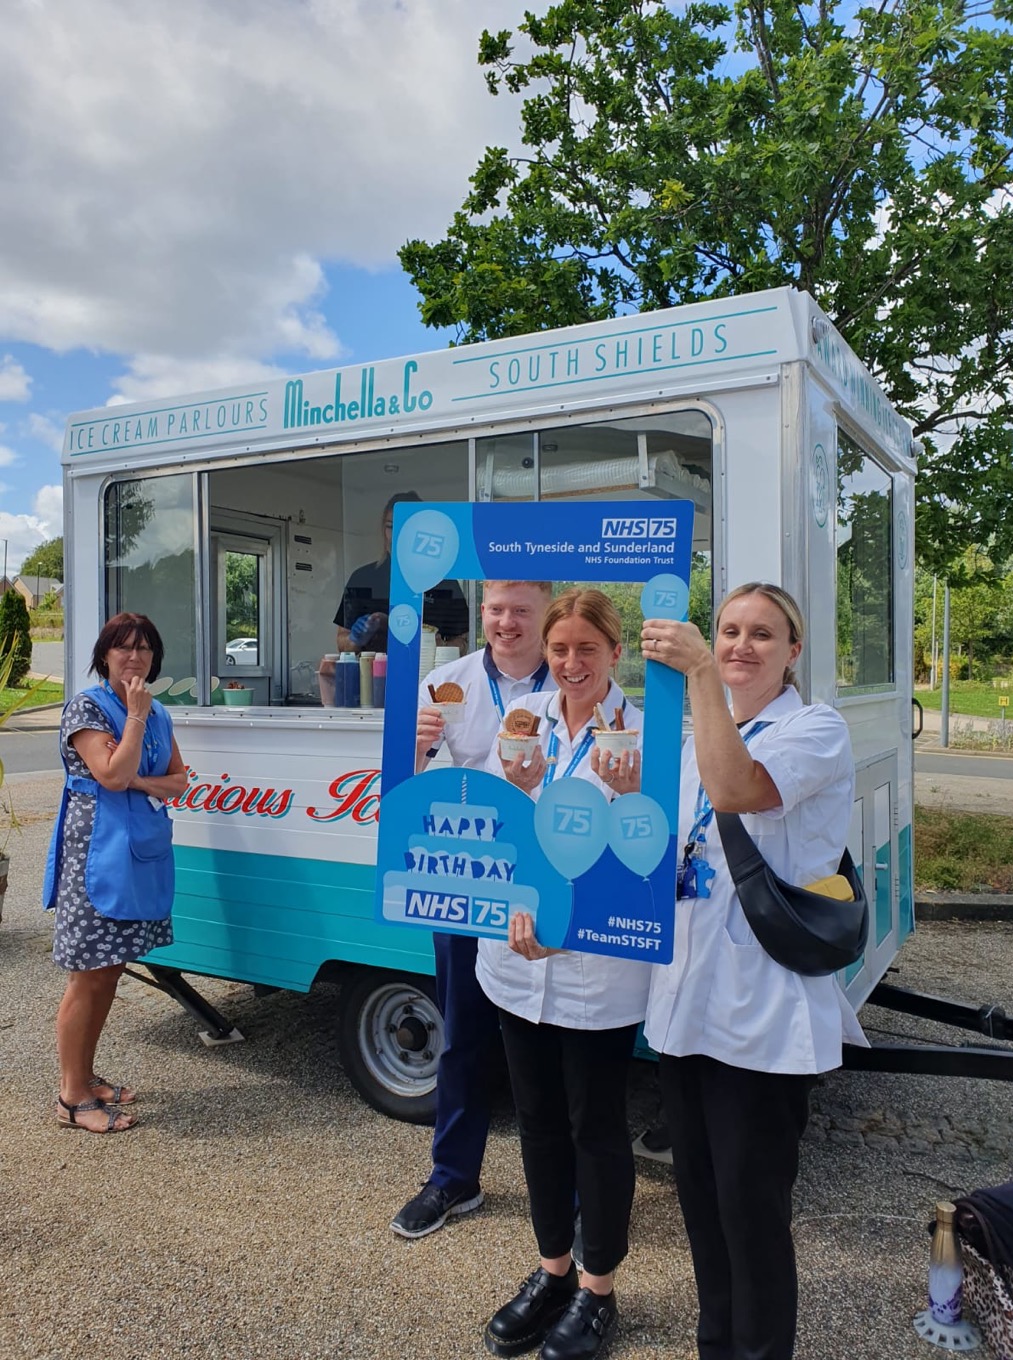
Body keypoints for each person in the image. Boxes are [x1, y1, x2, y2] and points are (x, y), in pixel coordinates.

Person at [641, 582, 866, 1360]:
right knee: (700, 1206)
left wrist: (700, 669)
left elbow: (739, 789)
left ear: (793, 652)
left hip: (762, 1012)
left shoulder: (815, 728)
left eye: (762, 635)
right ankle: (716, 1347)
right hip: (685, 1002)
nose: (740, 645)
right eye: (729, 630)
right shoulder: (684, 741)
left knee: (751, 1210)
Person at [476, 589, 647, 1360]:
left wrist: (627, 790)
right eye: (559, 649)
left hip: (596, 972)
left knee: (596, 1129)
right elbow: (495, 827)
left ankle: (598, 1289)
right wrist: (521, 899)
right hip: (515, 962)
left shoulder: (644, 734)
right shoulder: (524, 723)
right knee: (538, 1122)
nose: (571, 663)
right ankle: (552, 1270)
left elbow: (648, 856)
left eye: (586, 648)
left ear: (616, 651)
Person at [390, 580, 556, 1240]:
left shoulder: (574, 678)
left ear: (546, 610)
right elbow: (400, 783)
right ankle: (452, 1179)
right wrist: (414, 741)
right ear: (481, 612)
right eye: (496, 610)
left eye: (521, 610)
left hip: (541, 879)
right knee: (461, 1035)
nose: (506, 622)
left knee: (547, 1038)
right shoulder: (445, 680)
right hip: (465, 875)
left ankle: (563, 1186)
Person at [44, 613, 188, 1133]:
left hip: (138, 854)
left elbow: (180, 782)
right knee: (88, 975)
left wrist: (137, 781)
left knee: (108, 971)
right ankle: (70, 1097)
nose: (136, 657)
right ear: (104, 655)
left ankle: (82, 1076)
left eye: (145, 648)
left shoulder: (158, 711)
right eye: (124, 648)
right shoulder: (87, 707)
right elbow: (112, 772)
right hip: (95, 858)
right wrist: (133, 722)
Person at [333, 491, 468, 654]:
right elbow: (342, 641)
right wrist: (355, 639)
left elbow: (464, 640)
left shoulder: (443, 582)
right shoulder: (362, 579)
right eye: (391, 527)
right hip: (376, 676)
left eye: (405, 528)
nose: (396, 536)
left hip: (428, 676)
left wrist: (440, 648)